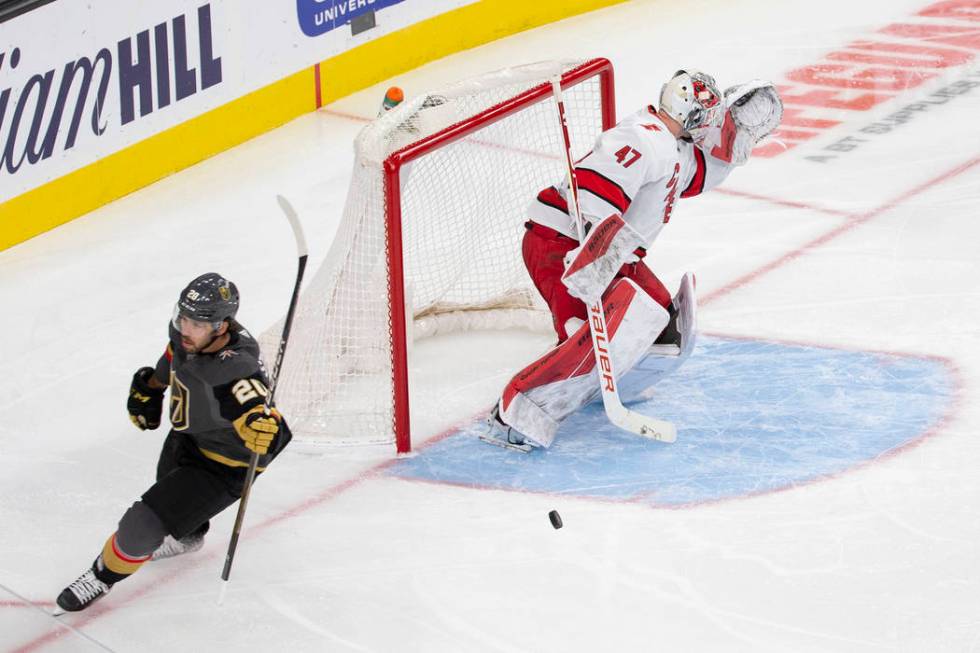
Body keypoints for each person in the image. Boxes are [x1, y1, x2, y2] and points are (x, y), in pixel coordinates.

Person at [481, 69, 783, 451]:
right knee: (589, 334)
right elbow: (595, 195)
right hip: (561, 244)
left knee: (661, 327)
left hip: (610, 253)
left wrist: (737, 132)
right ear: (691, 114)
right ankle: (516, 413)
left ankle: (607, 379)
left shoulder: (676, 147)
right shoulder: (641, 137)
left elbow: (705, 172)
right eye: (710, 115)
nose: (712, 124)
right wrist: (591, 259)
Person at [54, 273, 291, 612]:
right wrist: (152, 385)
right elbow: (174, 355)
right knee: (169, 499)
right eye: (183, 317)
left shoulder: (236, 369)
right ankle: (187, 537)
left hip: (223, 466)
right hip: (189, 437)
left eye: (196, 323)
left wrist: (264, 428)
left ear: (222, 327)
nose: (184, 328)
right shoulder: (189, 337)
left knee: (141, 525)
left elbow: (257, 411)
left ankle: (101, 577)